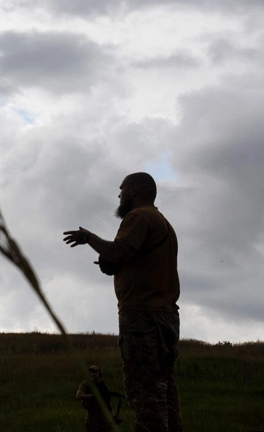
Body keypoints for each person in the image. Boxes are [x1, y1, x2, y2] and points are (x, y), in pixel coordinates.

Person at [64, 172, 181, 432]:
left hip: (142, 318)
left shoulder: (138, 217)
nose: (119, 195)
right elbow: (129, 259)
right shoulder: (162, 222)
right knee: (166, 396)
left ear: (136, 190)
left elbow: (119, 252)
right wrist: (113, 264)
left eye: (122, 189)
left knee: (146, 397)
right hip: (166, 318)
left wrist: (89, 239)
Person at [76, 365, 118, 431]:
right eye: (91, 372)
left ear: (99, 373)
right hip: (92, 416)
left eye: (95, 372)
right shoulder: (86, 384)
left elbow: (108, 404)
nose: (93, 374)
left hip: (104, 416)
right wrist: (94, 395)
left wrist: (112, 416)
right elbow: (79, 395)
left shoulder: (103, 386)